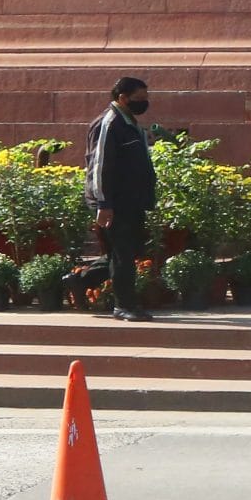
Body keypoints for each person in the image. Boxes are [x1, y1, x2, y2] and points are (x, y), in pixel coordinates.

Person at [86, 77, 157, 323]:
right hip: (115, 203)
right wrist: (104, 204)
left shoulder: (130, 123)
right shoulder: (109, 123)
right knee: (123, 254)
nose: (144, 102)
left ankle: (80, 280)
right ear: (122, 98)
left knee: (127, 252)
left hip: (132, 201)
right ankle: (124, 306)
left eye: (146, 98)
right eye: (139, 98)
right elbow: (99, 166)